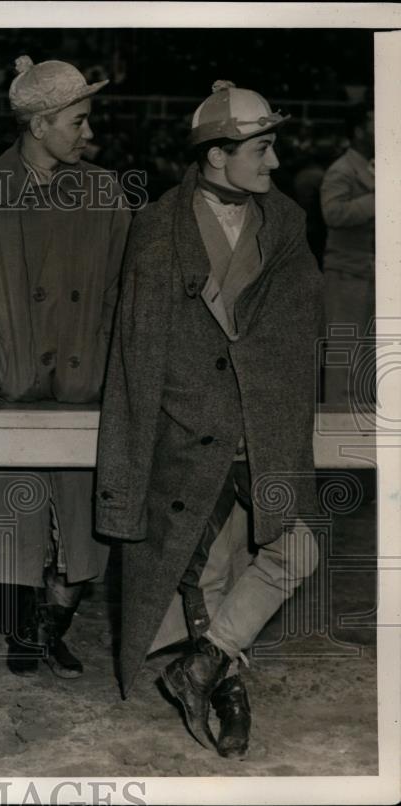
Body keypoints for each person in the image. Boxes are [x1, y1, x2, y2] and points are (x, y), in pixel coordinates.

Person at [96, 81, 323, 758]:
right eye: (263, 147)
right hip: (188, 431)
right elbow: (136, 351)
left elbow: (297, 323)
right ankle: (221, 680)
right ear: (218, 155)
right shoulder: (158, 227)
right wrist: (127, 468)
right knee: (212, 568)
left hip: (264, 428)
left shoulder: (283, 221)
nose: (276, 162)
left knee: (298, 548)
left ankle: (206, 660)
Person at [0, 55, 130, 678]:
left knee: (82, 531)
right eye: (78, 121)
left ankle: (50, 625)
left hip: (85, 390)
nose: (89, 133)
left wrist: (108, 365)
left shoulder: (106, 192)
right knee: (12, 524)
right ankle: (23, 628)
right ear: (40, 125)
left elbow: (120, 292)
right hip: (12, 388)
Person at [320, 103, 375, 408]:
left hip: (371, 275)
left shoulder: (375, 166)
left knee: (369, 355)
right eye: (372, 124)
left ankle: (365, 426)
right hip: (345, 276)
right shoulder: (341, 170)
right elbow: (333, 213)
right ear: (357, 131)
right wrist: (378, 200)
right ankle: (337, 428)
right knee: (344, 353)